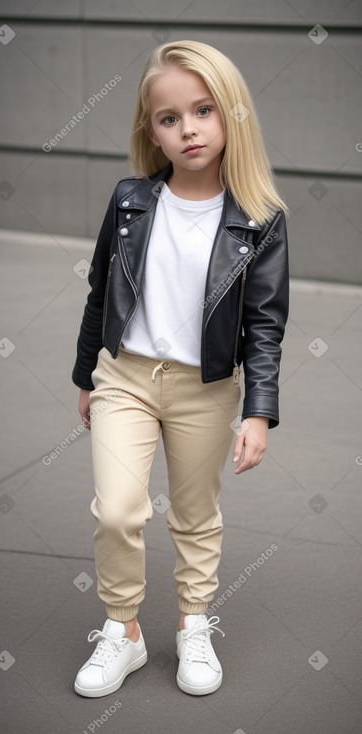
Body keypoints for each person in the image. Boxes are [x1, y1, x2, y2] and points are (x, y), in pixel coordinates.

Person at [71, 39, 289, 699]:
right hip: (126, 379)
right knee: (117, 511)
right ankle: (122, 632)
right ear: (152, 132)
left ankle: (193, 622)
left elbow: (265, 324)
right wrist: (87, 377)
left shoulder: (259, 220)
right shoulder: (131, 200)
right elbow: (98, 288)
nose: (187, 128)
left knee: (194, 514)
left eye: (202, 110)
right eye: (168, 118)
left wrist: (258, 409)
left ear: (229, 117)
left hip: (206, 390)